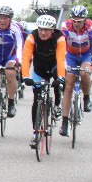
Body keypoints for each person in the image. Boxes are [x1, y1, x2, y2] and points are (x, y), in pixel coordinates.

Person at [21, 14, 67, 149]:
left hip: (54, 66)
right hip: (39, 68)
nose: (42, 32)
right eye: (40, 29)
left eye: (46, 30)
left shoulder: (59, 38)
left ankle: (57, 105)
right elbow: (26, 57)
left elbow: (61, 59)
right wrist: (25, 76)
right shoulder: (32, 37)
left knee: (59, 84)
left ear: (52, 30)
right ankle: (35, 133)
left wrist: (61, 77)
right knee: (37, 99)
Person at [59, 4, 92, 136]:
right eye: (74, 21)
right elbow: (61, 45)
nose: (76, 24)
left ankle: (86, 98)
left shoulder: (91, 26)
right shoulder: (66, 26)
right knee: (69, 84)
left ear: (85, 20)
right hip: (71, 55)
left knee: (84, 73)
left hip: (86, 55)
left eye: (79, 21)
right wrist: (62, 63)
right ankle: (65, 122)